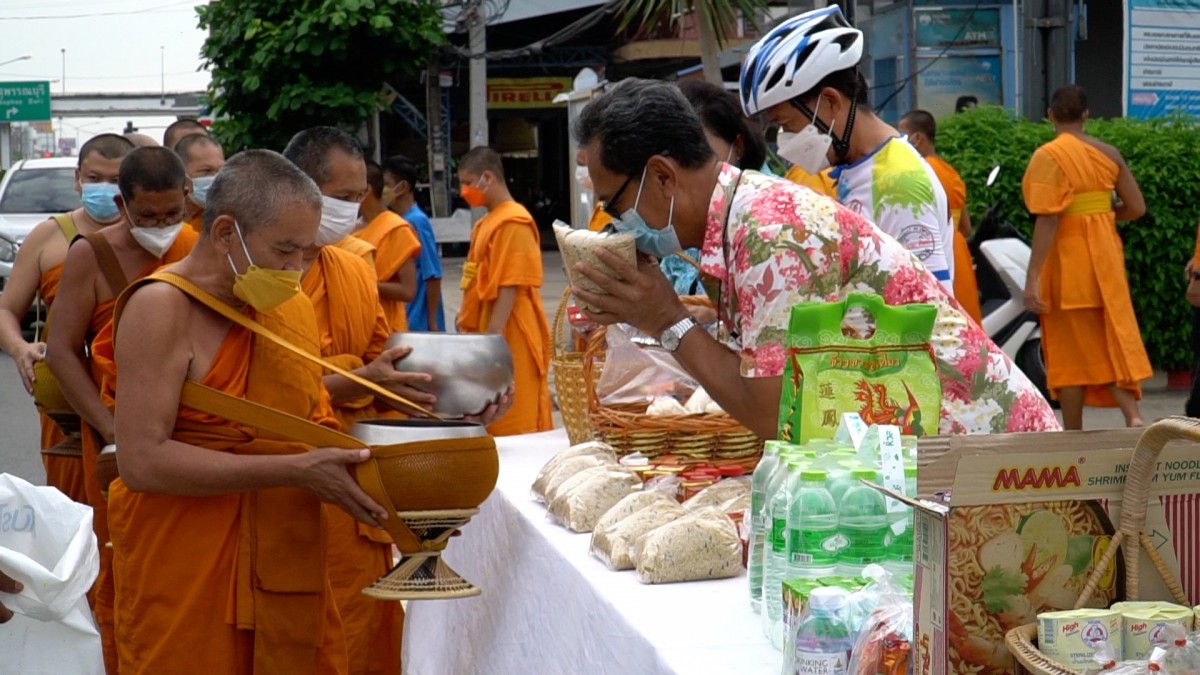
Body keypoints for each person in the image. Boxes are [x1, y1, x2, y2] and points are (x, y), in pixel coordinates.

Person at [569, 78, 1059, 439]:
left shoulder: (769, 233)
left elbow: (772, 414)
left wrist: (666, 319)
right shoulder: (745, 215)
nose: (612, 220)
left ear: (661, 176)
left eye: (614, 203)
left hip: (989, 465)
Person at [106, 149, 377, 674]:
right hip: (188, 566)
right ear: (225, 232)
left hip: (287, 554)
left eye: (306, 251)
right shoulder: (161, 307)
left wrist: (405, 492)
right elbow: (141, 461)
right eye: (284, 250)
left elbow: (310, 425)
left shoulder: (285, 305)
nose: (296, 269)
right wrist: (292, 470)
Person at [282, 127, 432, 675]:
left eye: (357, 197)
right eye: (342, 199)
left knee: (366, 636)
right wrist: (353, 380)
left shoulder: (352, 267)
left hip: (359, 483)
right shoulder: (259, 278)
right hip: (286, 483)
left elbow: (383, 367)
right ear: (300, 191)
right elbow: (257, 398)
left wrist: (451, 401)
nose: (353, 210)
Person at [45, 146, 200, 673]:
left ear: (188, 196)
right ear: (121, 203)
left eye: (171, 214)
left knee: (192, 565)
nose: (161, 227)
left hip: (191, 432)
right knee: (126, 562)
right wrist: (111, 426)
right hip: (114, 436)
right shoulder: (92, 253)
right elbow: (64, 350)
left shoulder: (198, 247)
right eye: (147, 217)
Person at [739, 6, 955, 294]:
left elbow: (928, 310)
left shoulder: (899, 184)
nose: (785, 139)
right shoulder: (859, 169)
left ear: (830, 101)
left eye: (787, 124)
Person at [0, 133, 134, 504]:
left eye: (116, 180)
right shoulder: (49, 237)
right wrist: (19, 347)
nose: (104, 189)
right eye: (94, 179)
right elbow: (6, 309)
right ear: (78, 179)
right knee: (73, 507)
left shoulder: (151, 237)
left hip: (137, 390)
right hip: (70, 400)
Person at [1022, 84, 1151, 430]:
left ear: (1050, 115)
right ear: (1085, 116)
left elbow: (1048, 218)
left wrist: (1033, 277)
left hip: (1068, 264)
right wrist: (1102, 215)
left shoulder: (1047, 155)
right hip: (1105, 259)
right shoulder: (1108, 153)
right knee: (1106, 339)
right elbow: (1136, 207)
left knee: (1069, 350)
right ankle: (1130, 415)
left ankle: (1077, 429)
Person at [457, 146, 553, 436]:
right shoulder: (488, 220)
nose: (463, 191)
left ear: (488, 178)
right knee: (487, 402)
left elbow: (509, 285)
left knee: (513, 405)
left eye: (467, 181)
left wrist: (492, 342)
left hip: (509, 327)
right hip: (488, 324)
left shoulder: (514, 220)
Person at [899, 109, 983, 324]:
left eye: (902, 134)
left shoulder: (919, 172)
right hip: (958, 248)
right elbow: (966, 227)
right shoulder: (950, 171)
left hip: (935, 248)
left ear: (917, 138)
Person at [355, 159, 421, 332]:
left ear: (365, 190)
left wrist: (361, 284)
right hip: (353, 325)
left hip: (385, 329)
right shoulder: (348, 228)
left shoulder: (396, 228)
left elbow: (408, 290)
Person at [382, 155, 446, 331]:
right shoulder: (396, 220)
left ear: (402, 187)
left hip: (419, 318)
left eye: (386, 184)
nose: (382, 190)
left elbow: (432, 274)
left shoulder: (416, 221)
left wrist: (432, 320)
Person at [174, 133, 226, 233]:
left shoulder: (232, 221)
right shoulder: (167, 225)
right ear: (181, 175)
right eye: (206, 171)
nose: (216, 178)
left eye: (221, 170)